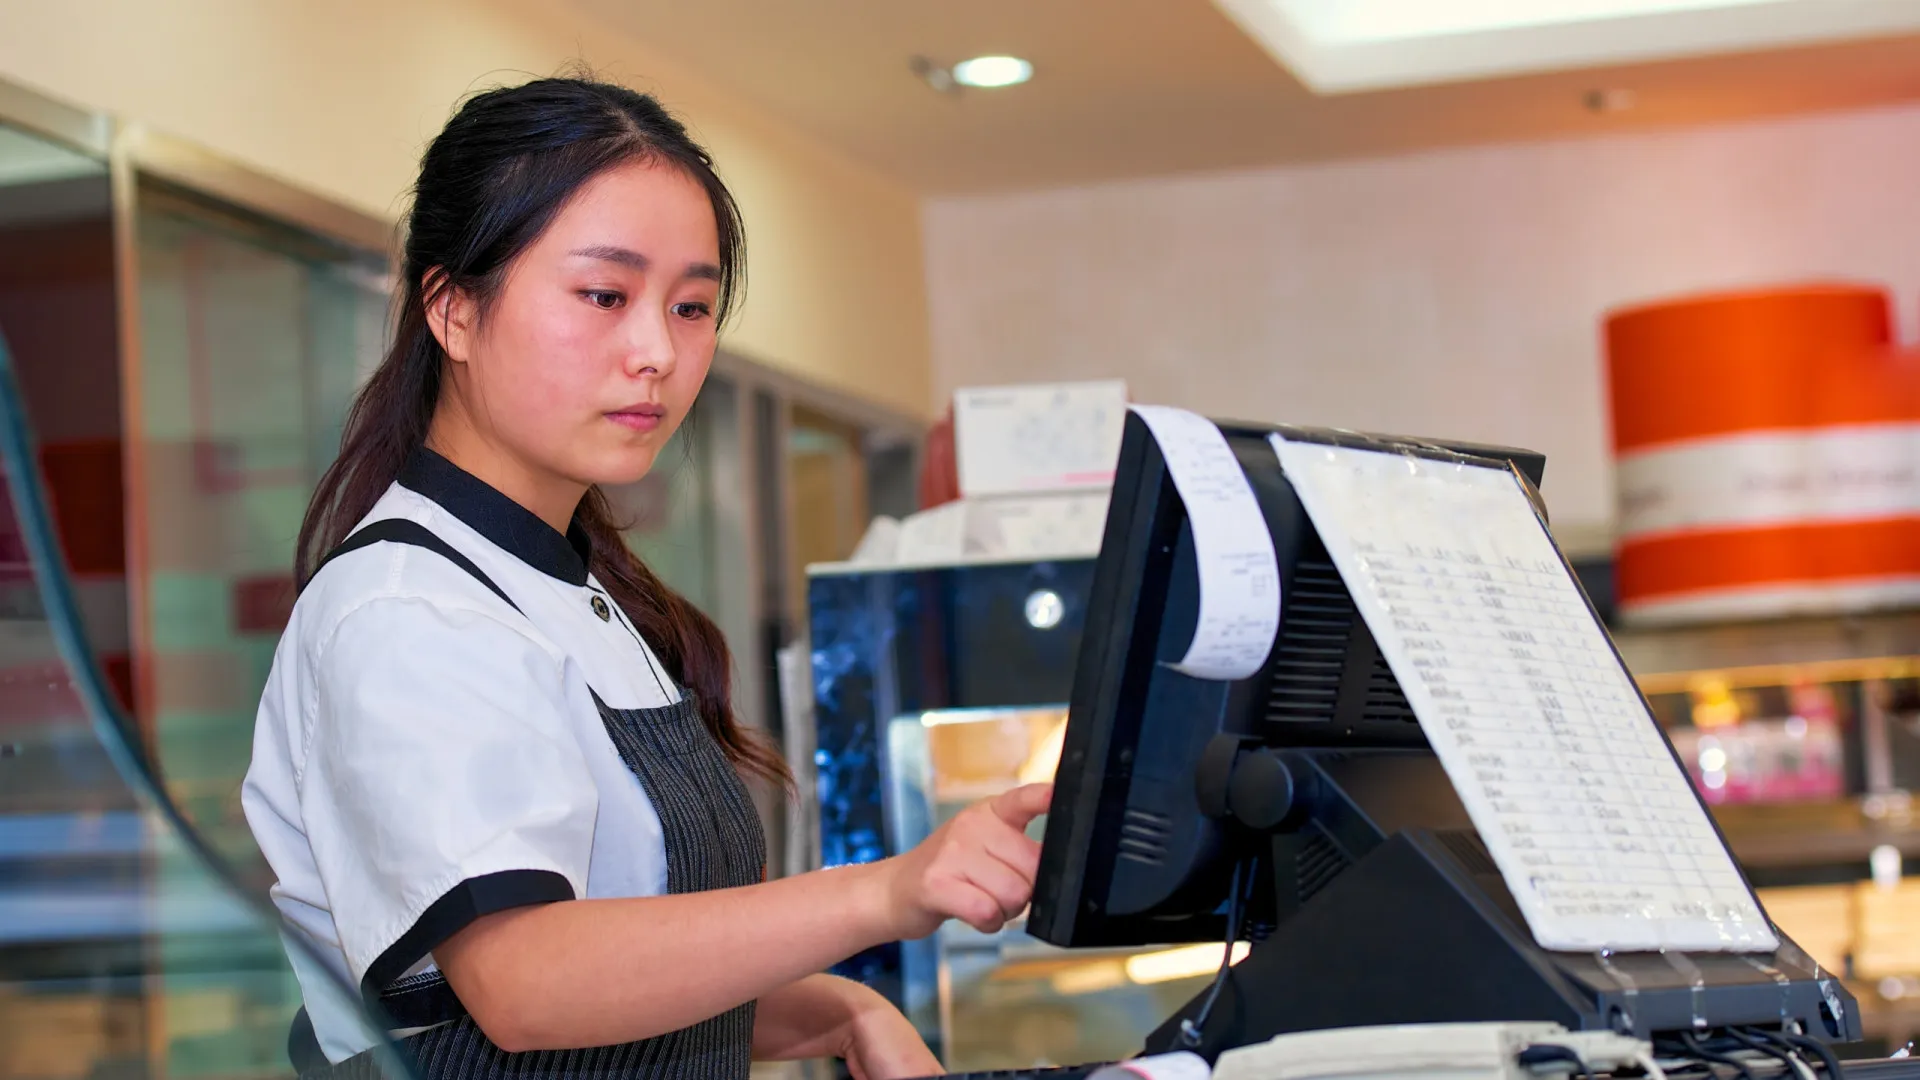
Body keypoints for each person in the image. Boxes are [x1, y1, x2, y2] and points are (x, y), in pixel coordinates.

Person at [241, 76, 1051, 1080]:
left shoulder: (577, 592)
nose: (658, 352)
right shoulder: (409, 609)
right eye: (604, 296)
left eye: (694, 306)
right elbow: (525, 983)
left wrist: (842, 1011)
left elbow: (642, 982)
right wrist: (887, 893)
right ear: (452, 311)